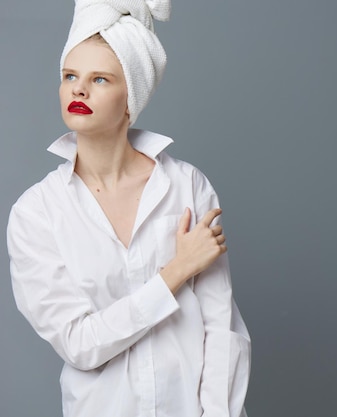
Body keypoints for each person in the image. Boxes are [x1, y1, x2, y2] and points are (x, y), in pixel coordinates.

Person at [6, 1, 251, 416]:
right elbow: (80, 345)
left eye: (99, 79)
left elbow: (221, 328)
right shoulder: (36, 213)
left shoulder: (187, 186)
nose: (78, 90)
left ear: (130, 97)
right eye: (70, 76)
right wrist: (174, 273)